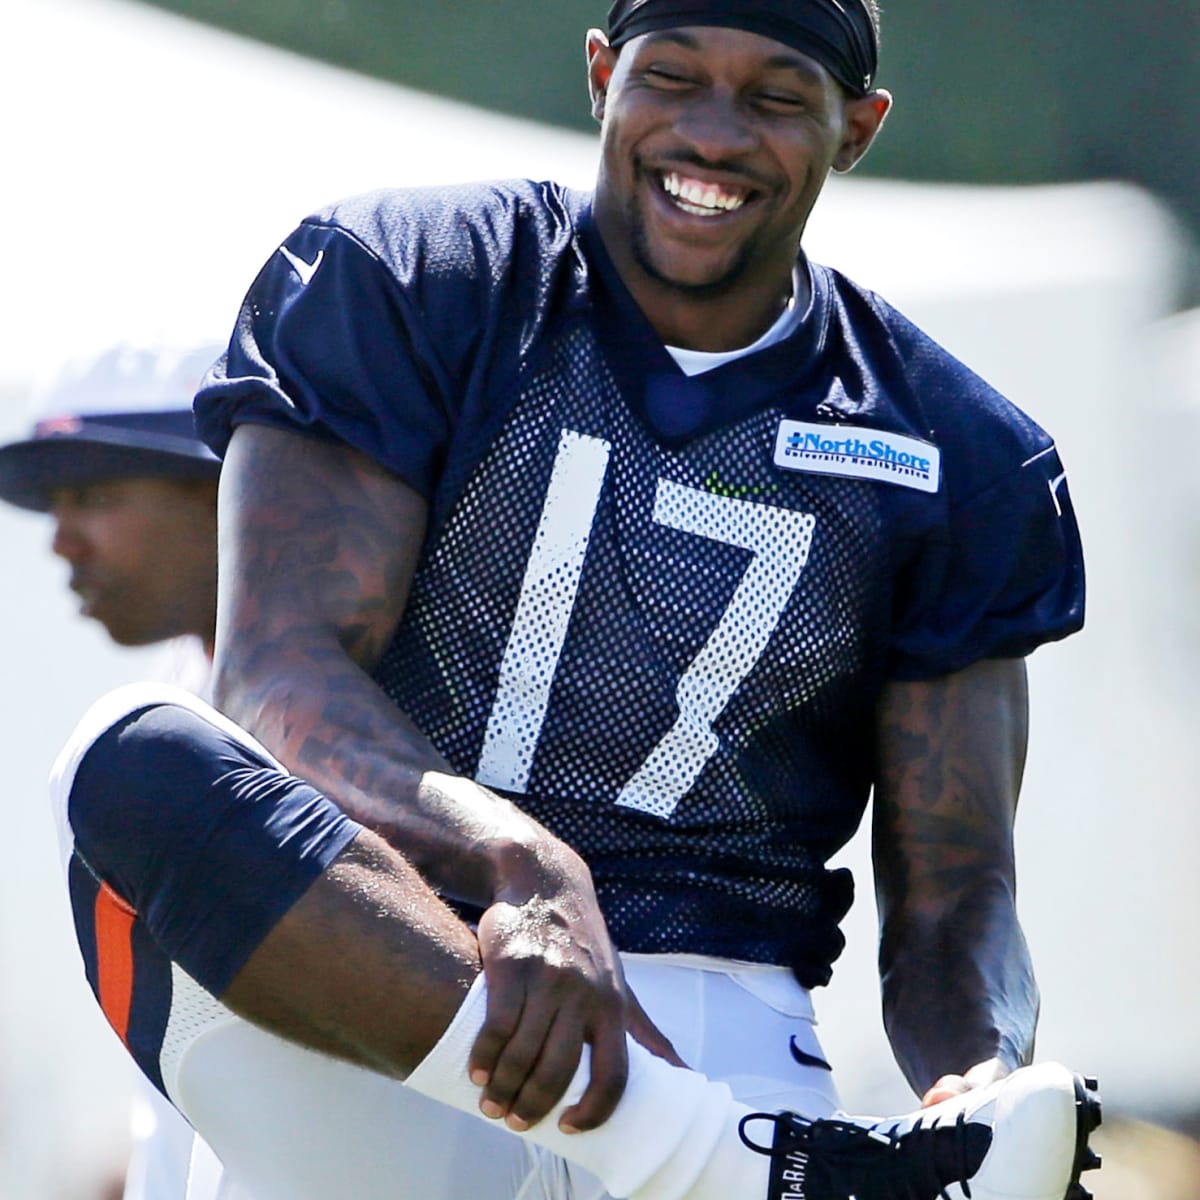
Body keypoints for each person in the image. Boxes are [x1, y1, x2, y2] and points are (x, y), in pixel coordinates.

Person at [50, 4, 1102, 1199]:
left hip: (724, 1007)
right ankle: (718, 1164)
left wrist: (979, 1092)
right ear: (601, 74)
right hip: (399, 969)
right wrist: (526, 867)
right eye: (672, 78)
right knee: (129, 756)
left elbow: (960, 889)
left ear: (857, 129)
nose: (711, 135)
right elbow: (278, 673)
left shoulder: (955, 444)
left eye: (773, 97)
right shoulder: (417, 279)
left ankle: (741, 1157)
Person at [0, 342, 222, 1199]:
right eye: (54, 502)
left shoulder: (379, 718)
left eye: (93, 494)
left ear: (225, 485)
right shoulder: (177, 700)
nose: (60, 540)